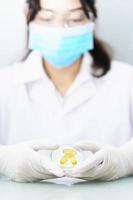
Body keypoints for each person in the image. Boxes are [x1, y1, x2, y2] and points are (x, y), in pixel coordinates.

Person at [0, 0, 133, 183]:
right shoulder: (4, 84)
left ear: (91, 19)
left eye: (75, 18)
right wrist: (4, 159)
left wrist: (127, 160)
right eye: (47, 18)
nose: (61, 29)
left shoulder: (127, 80)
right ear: (27, 16)